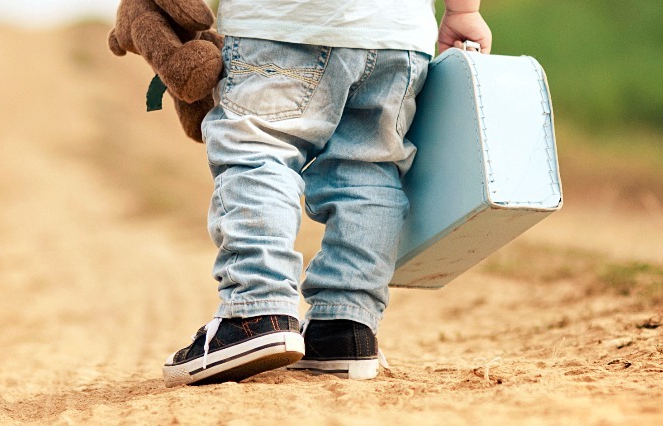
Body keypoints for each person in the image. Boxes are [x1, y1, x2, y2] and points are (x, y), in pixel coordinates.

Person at [162, 0, 492, 386]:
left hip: (284, 24)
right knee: (369, 167)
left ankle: (257, 307)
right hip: (396, 35)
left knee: (258, 149)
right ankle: (344, 324)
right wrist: (463, 11)